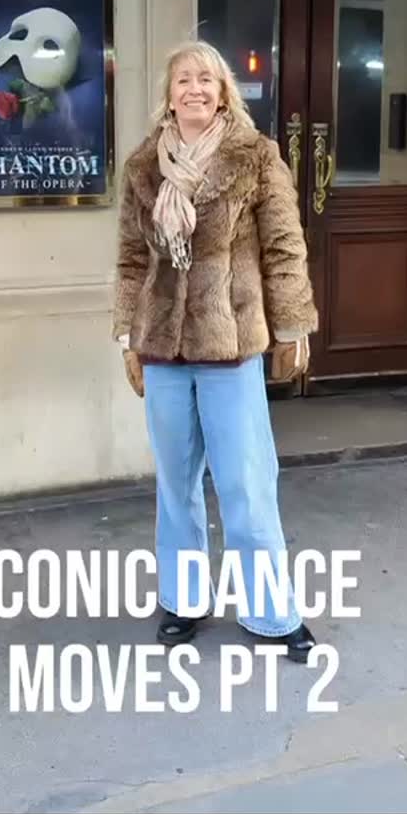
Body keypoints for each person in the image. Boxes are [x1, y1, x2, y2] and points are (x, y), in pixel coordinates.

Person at [112, 40, 319, 662]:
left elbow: (285, 247)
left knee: (247, 483)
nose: (195, 89)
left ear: (224, 90)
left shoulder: (255, 158)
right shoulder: (144, 166)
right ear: (168, 94)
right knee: (176, 484)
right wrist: (127, 336)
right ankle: (183, 599)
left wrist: (291, 329)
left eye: (206, 79)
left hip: (230, 348)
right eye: (183, 80)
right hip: (163, 349)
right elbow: (130, 260)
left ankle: (272, 613)